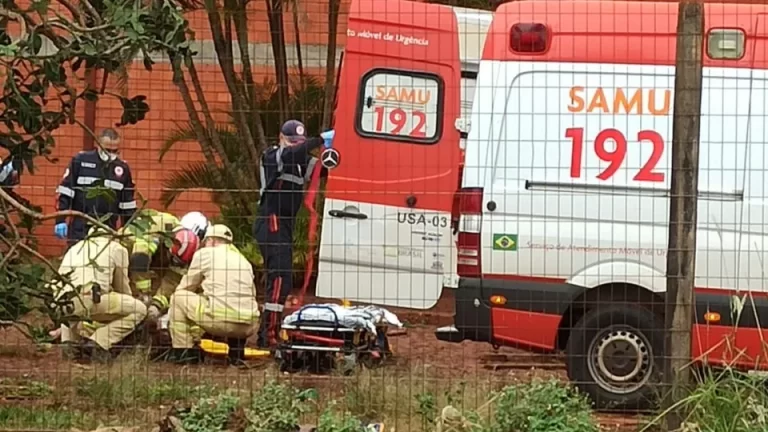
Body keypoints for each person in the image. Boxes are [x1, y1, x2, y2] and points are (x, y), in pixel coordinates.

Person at [253, 120, 335, 348]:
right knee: (279, 278)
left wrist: (338, 149)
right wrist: (319, 139)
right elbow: (292, 154)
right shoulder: (273, 155)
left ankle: (270, 331)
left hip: (285, 224)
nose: (295, 146)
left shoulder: (301, 162)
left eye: (298, 142)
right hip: (271, 221)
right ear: (281, 138)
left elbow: (323, 169)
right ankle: (267, 336)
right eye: (291, 141)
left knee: (284, 280)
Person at [50, 226, 147, 362]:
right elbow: (122, 288)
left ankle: (69, 345)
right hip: (87, 297)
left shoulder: (76, 246)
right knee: (139, 309)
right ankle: (98, 342)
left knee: (70, 298)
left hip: (58, 302)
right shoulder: (117, 248)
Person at [166, 224, 260, 364]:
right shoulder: (243, 261)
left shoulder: (204, 254)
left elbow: (187, 287)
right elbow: (251, 293)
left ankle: (184, 352)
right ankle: (236, 354)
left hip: (221, 322)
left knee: (179, 297)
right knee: (235, 302)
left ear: (211, 241)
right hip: (249, 326)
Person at [54, 128, 136, 245]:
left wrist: (128, 229)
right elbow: (65, 192)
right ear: (98, 145)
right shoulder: (80, 161)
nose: (111, 154)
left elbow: (127, 204)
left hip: (108, 229)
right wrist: (60, 220)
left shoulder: (122, 169)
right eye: (107, 149)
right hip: (80, 227)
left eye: (115, 151)